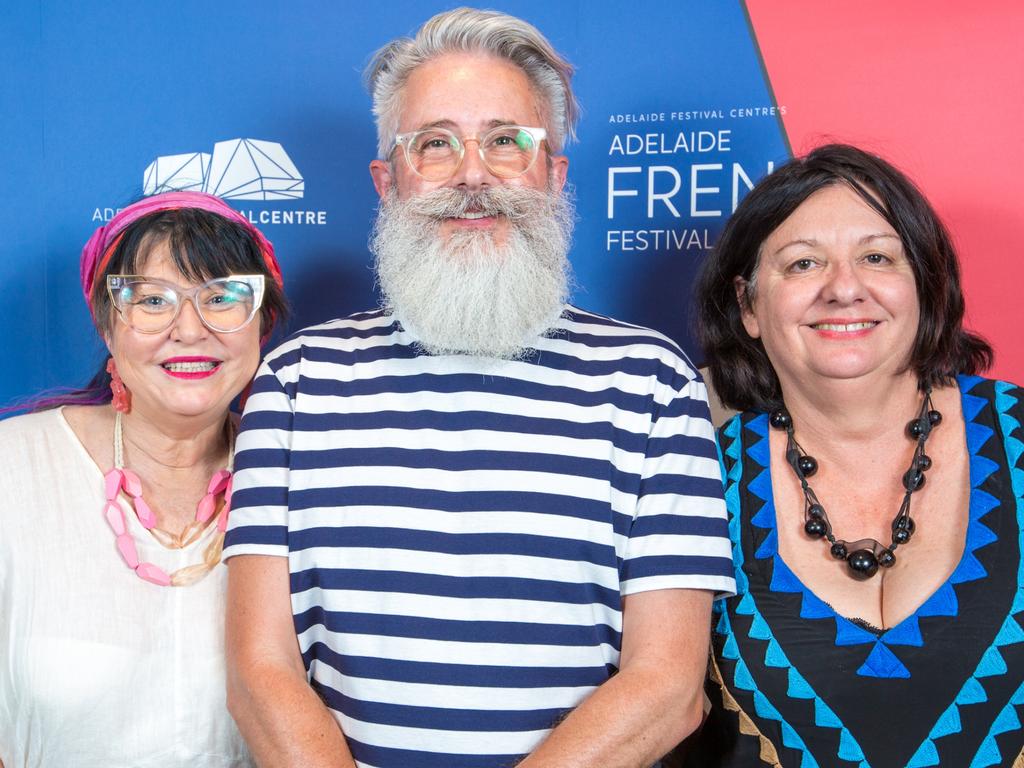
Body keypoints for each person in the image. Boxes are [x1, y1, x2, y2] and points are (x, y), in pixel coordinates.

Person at [223, 7, 734, 768]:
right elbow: (260, 673)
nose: (472, 174)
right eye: (434, 144)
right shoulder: (298, 381)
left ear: (553, 172)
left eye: (505, 141)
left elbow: (666, 685)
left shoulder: (651, 381)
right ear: (388, 180)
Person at [684, 143, 1024, 767]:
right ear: (750, 306)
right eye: (803, 264)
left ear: (925, 284)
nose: (844, 288)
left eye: (876, 257)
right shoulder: (693, 475)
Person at [0, 191, 286, 767]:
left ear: (262, 326)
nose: (189, 329)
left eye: (224, 297)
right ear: (107, 328)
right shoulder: (13, 471)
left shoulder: (299, 476)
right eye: (152, 300)